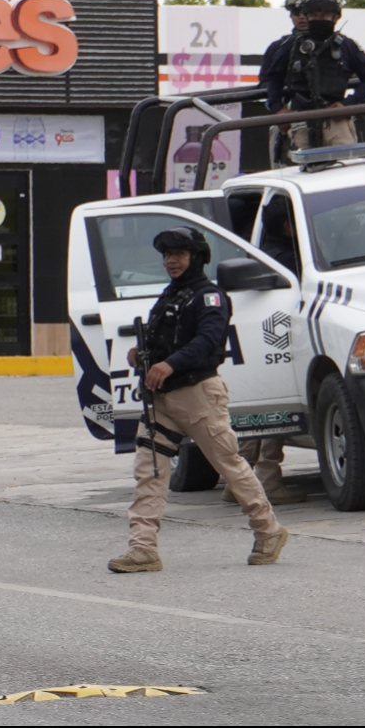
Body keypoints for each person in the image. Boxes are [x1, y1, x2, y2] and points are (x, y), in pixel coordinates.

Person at [109, 227, 289, 573]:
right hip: (160, 400)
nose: (171, 261)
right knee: (149, 471)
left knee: (230, 465)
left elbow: (208, 341)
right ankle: (143, 548)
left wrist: (169, 363)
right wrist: (142, 355)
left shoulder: (210, 297)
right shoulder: (169, 296)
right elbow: (167, 341)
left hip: (198, 395)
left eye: (179, 254)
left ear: (196, 257)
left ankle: (269, 531)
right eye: (167, 255)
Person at [224, 196, 306, 507]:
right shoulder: (287, 258)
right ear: (288, 225)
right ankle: (269, 481)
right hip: (279, 346)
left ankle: (237, 483)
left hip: (257, 346)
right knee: (277, 416)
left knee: (256, 417)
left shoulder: (260, 253)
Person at [263, 0, 365, 149]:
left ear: (336, 17)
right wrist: (278, 109)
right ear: (307, 16)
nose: (319, 19)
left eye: (324, 15)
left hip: (336, 119)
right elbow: (273, 78)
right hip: (299, 118)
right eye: (314, 15)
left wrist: (347, 104)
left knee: (343, 164)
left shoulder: (347, 46)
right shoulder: (291, 45)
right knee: (300, 167)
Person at [259, 0, 312, 167]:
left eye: (306, 12)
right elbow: (266, 82)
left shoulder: (339, 44)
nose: (301, 17)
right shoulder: (278, 47)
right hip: (288, 119)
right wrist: (278, 110)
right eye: (296, 13)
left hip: (330, 118)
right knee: (283, 172)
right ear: (290, 16)